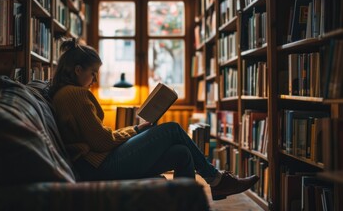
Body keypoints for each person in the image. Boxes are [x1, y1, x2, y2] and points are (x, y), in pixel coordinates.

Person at [50, 38, 259, 200]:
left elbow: (98, 137)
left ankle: (187, 202)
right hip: (99, 167)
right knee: (172, 129)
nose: (94, 80)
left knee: (182, 153)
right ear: (78, 70)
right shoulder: (75, 94)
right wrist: (136, 130)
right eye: (93, 73)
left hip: (98, 163)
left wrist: (136, 130)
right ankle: (216, 179)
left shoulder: (63, 94)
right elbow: (103, 141)